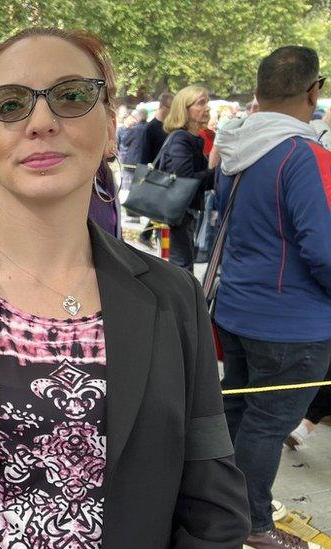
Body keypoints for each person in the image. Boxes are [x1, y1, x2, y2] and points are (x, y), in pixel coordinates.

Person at [0, 27, 250, 548]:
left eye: (70, 96)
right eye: (11, 104)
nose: (41, 122)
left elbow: (212, 496)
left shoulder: (175, 297)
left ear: (110, 129)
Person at [214, 45, 330, 549]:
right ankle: (254, 527)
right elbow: (322, 248)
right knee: (264, 427)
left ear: (258, 91)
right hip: (293, 322)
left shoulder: (236, 148)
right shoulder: (303, 154)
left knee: (238, 418)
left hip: (237, 310)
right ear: (313, 91)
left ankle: (219, 509)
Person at [158, 85, 214, 272]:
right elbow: (185, 180)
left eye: (207, 102)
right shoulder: (181, 138)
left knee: (183, 266)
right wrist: (218, 172)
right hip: (179, 214)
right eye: (201, 103)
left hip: (185, 213)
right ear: (185, 109)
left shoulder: (192, 138)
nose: (207, 108)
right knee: (181, 269)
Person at [137, 91, 174, 247]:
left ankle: (149, 236)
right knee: (158, 211)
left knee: (160, 212)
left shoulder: (170, 128)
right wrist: (144, 175)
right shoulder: (150, 128)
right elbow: (144, 155)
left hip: (166, 175)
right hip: (154, 175)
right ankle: (149, 236)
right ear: (165, 106)